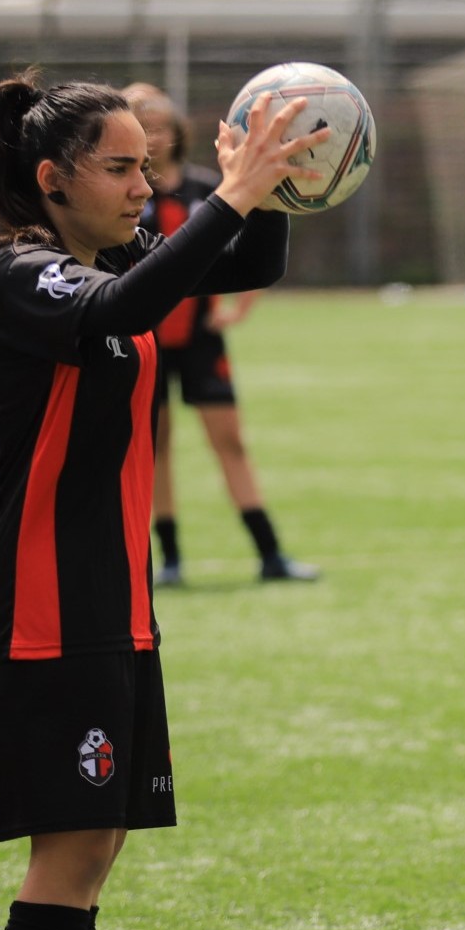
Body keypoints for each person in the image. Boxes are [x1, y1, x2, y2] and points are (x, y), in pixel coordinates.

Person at [0, 68, 326, 930]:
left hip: (113, 607)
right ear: (51, 179)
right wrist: (233, 193)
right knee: (70, 846)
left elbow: (235, 261)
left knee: (98, 843)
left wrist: (271, 186)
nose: (143, 187)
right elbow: (133, 300)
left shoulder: (102, 257)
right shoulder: (22, 279)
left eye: (150, 164)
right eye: (122, 168)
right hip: (43, 608)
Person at [121, 82, 320, 587]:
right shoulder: (124, 204)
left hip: (200, 341)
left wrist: (236, 310)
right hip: (142, 338)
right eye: (141, 127)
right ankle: (168, 561)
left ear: (178, 131)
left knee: (229, 441)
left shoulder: (210, 189)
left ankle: (270, 554)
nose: (154, 135)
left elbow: (252, 256)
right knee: (155, 445)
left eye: (161, 124)